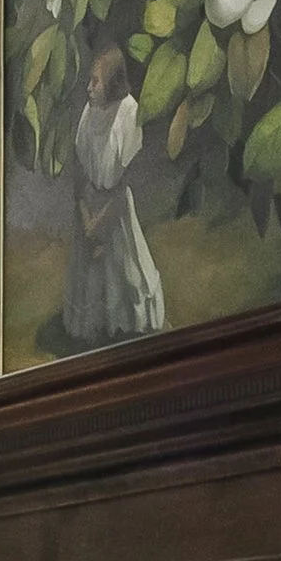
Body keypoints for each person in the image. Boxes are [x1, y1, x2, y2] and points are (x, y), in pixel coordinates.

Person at [63, 47, 168, 348]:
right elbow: (81, 171)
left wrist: (99, 223)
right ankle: (96, 329)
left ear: (111, 82)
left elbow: (123, 183)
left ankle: (127, 327)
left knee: (125, 271)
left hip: (115, 208)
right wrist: (86, 218)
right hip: (91, 204)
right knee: (91, 275)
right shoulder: (89, 111)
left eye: (95, 81)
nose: (89, 88)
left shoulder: (128, 112)